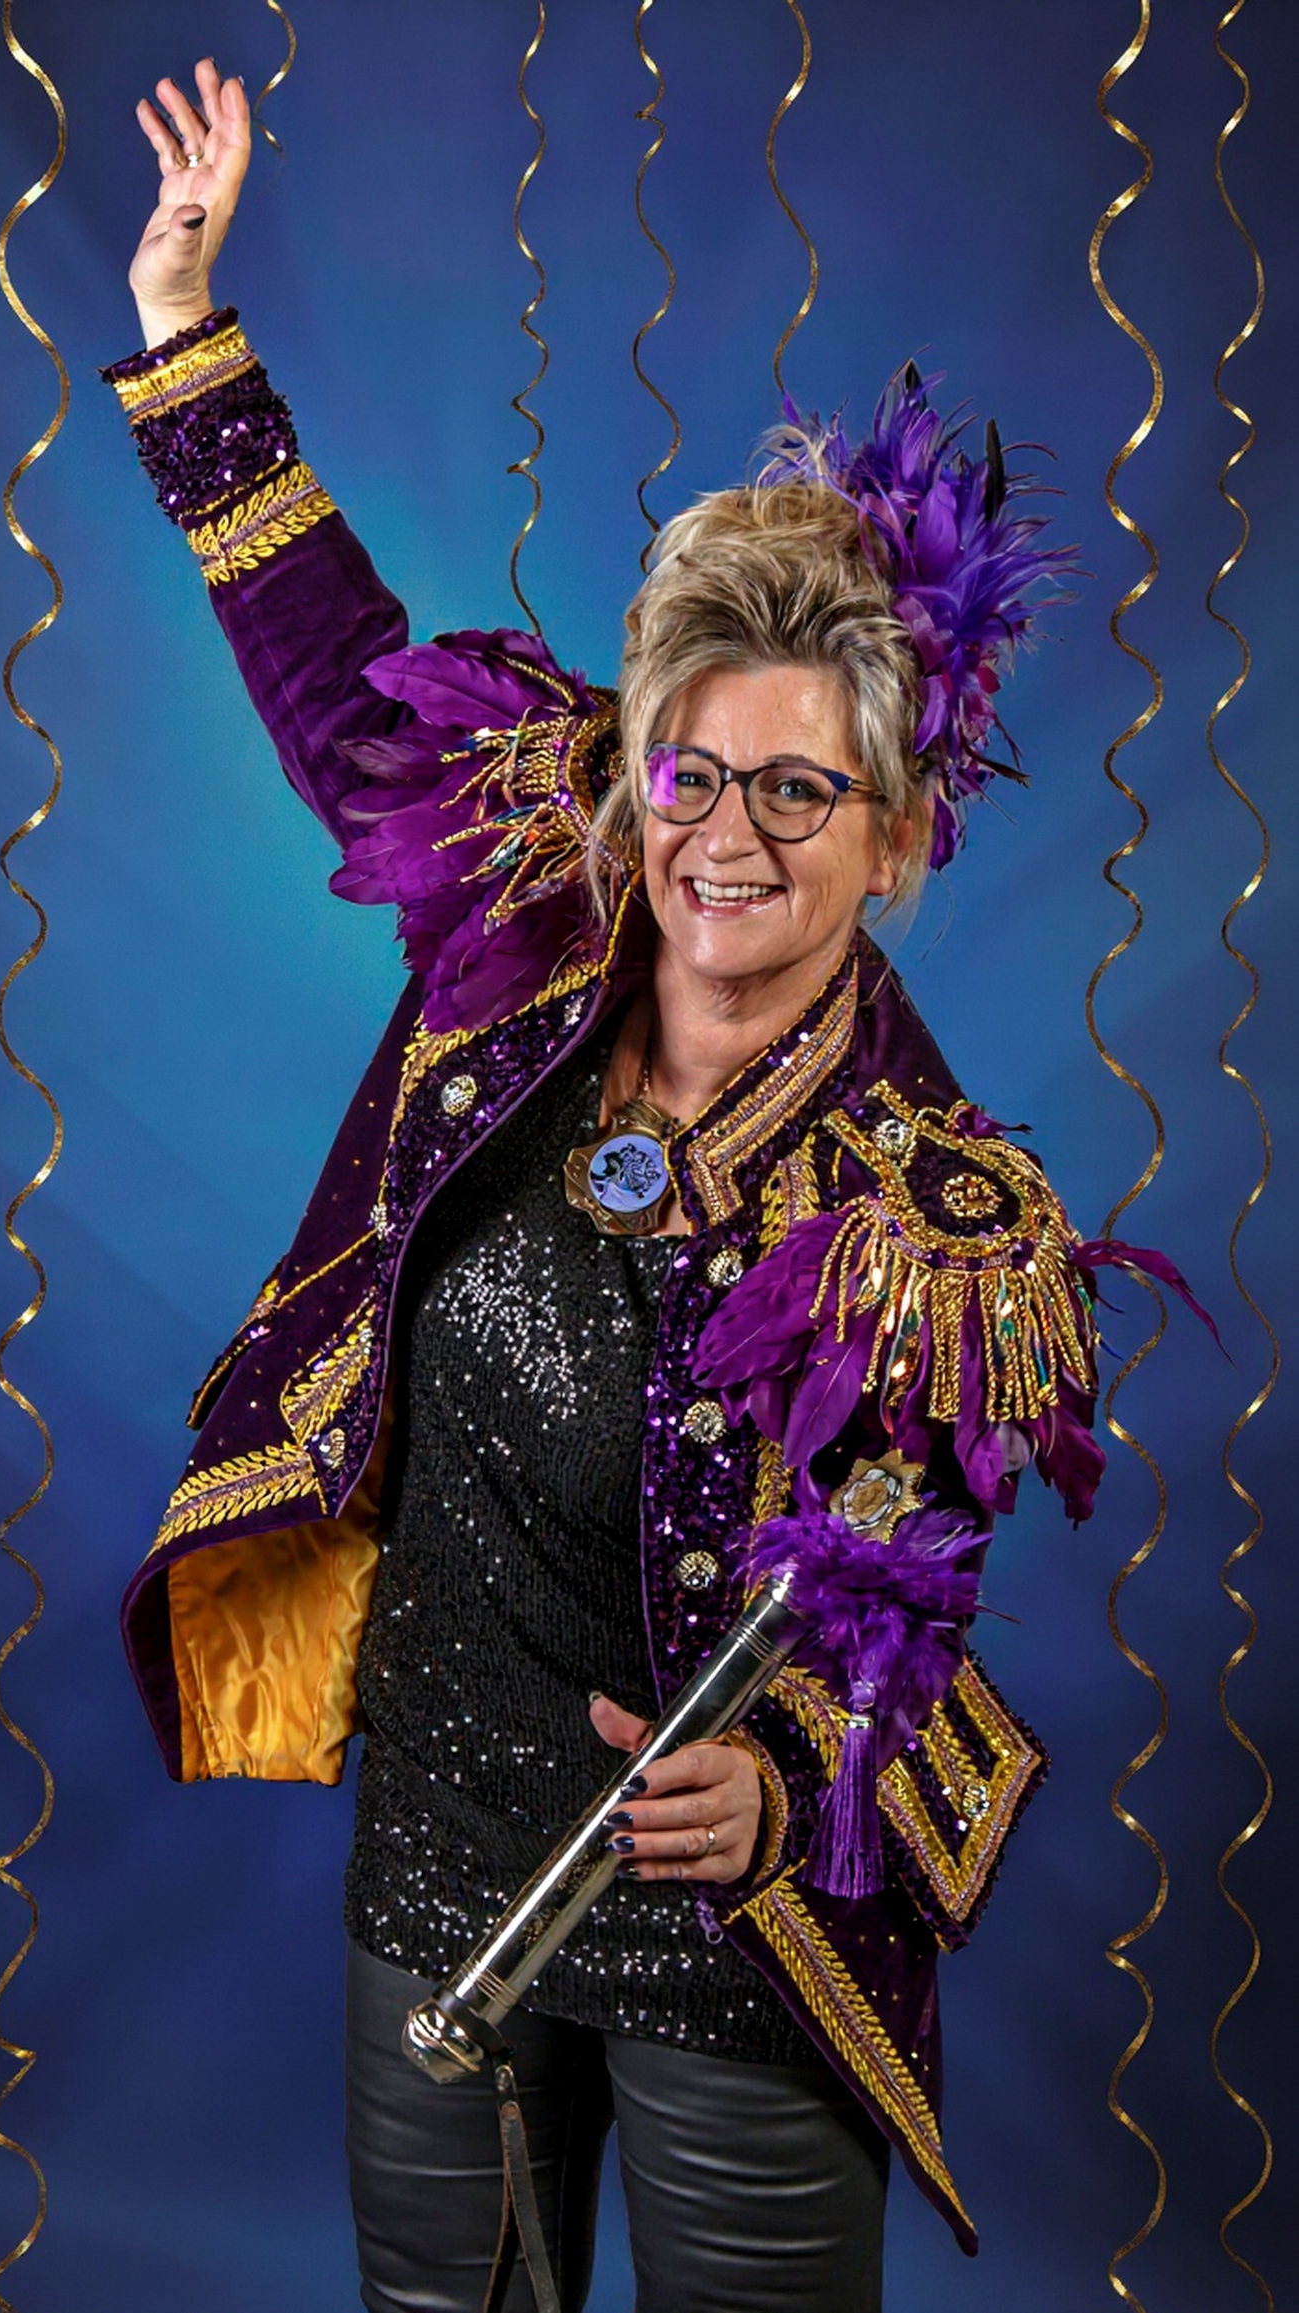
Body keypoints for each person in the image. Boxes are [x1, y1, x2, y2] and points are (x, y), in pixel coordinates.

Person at [103, 59, 1168, 2313]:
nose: (727, 839)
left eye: (800, 792)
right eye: (692, 772)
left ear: (899, 831)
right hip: (443, 1850)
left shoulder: (938, 1220)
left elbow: (910, 1609)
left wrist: (786, 1785)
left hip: (723, 1919)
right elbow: (335, 672)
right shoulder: (529, 892)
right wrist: (185, 331)